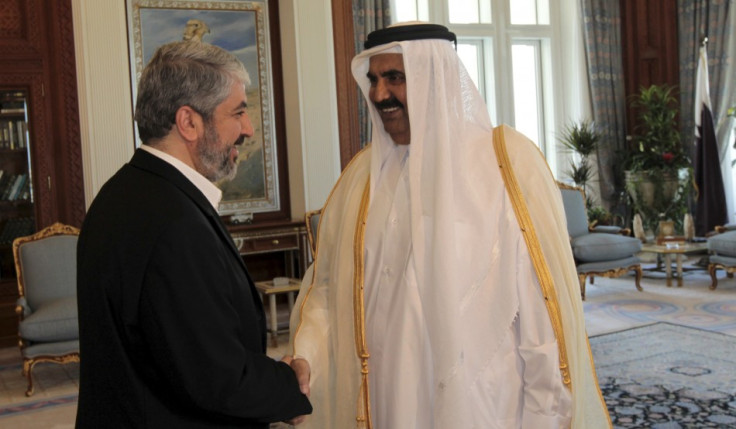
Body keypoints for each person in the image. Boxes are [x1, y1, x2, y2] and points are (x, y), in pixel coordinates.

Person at [288, 23, 611, 428]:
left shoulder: (502, 164)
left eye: (395, 78)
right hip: (386, 404)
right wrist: (305, 358)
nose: (378, 94)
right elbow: (329, 294)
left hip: (484, 408)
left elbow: (541, 322)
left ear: (432, 79)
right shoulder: (363, 178)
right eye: (373, 80)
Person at [76, 41, 312, 428]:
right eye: (238, 112)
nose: (249, 129)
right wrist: (288, 389)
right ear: (188, 122)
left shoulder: (120, 193)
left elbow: (172, 351)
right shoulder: (174, 223)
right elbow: (214, 378)